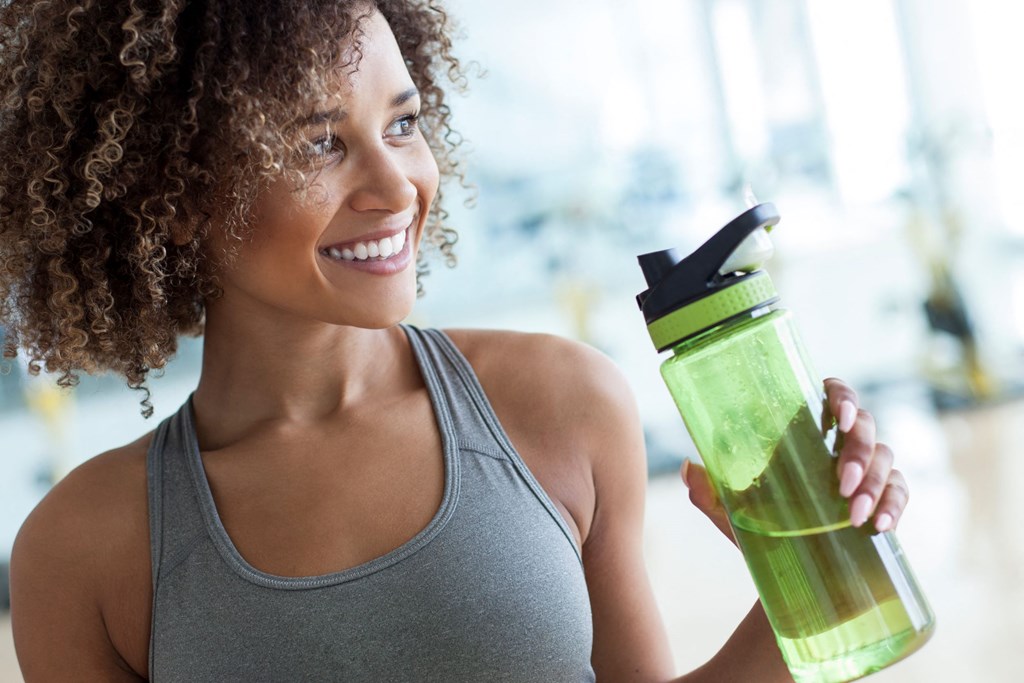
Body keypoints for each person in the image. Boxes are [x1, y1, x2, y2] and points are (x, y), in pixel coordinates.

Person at [2, 1, 911, 681]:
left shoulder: (560, 405)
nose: (396, 187)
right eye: (319, 145)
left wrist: (820, 563)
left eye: (402, 123)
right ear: (180, 196)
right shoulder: (82, 550)